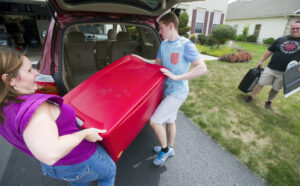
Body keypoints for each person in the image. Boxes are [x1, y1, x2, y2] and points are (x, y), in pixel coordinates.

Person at [0, 50, 116, 186]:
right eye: (29, 70)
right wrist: (84, 133)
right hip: (78, 157)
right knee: (109, 174)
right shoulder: (35, 109)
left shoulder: (5, 107)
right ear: (9, 80)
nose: (36, 73)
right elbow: (50, 153)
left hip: (57, 167)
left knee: (80, 179)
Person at [134, 12, 208, 166]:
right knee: (170, 120)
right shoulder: (163, 45)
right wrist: (139, 59)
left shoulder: (186, 45)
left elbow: (202, 68)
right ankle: (171, 148)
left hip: (178, 92)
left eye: (161, 28)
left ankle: (165, 149)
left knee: (154, 121)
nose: (159, 32)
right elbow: (157, 63)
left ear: (171, 26)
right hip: (166, 90)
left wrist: (176, 77)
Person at [245, 22, 300, 109]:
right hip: (271, 68)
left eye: (298, 28)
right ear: (290, 29)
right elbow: (270, 51)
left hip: (285, 72)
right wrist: (262, 61)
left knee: (276, 88)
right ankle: (251, 96)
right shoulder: (281, 39)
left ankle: (269, 101)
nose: (295, 30)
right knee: (260, 83)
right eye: (293, 28)